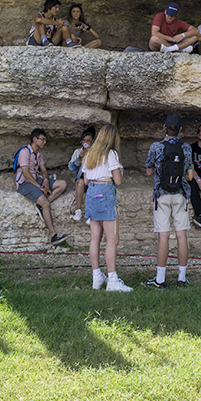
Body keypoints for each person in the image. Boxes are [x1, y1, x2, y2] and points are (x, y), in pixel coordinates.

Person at [144, 113, 196, 288]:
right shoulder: (187, 148)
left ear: (164, 127)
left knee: (163, 236)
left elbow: (149, 171)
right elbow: (189, 176)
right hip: (180, 194)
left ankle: (160, 279)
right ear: (180, 130)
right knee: (181, 235)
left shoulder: (156, 147)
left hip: (161, 195)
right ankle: (182, 278)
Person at [83, 124, 131, 292]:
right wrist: (120, 171)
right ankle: (112, 279)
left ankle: (97, 276)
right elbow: (117, 181)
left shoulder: (90, 154)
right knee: (112, 239)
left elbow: (85, 180)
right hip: (105, 192)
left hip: (91, 192)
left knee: (95, 237)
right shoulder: (111, 154)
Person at [15, 128, 69, 245]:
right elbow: (26, 173)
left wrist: (45, 181)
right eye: (42, 139)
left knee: (62, 184)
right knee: (46, 204)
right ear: (35, 139)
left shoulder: (38, 154)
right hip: (25, 183)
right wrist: (40, 188)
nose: (44, 142)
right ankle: (53, 235)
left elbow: (44, 170)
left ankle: (41, 207)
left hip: (37, 179)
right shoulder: (25, 152)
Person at [68, 126, 95, 222]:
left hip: (94, 178)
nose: (86, 142)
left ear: (92, 142)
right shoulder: (78, 152)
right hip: (82, 178)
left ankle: (90, 214)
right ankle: (78, 211)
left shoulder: (96, 152)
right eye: (84, 140)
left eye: (88, 140)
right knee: (80, 183)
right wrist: (79, 158)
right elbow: (72, 168)